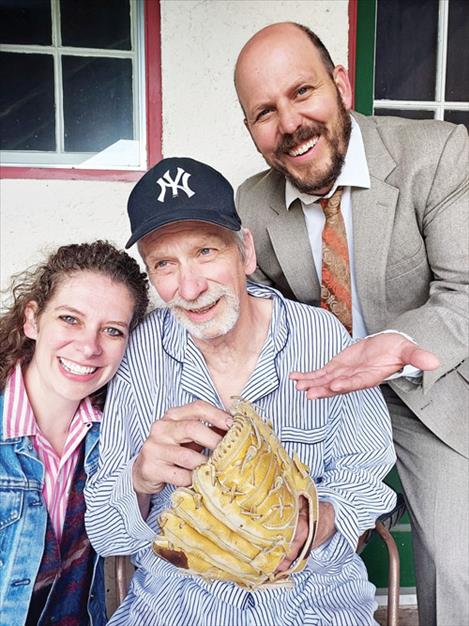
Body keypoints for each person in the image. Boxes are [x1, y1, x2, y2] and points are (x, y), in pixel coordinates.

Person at [85, 157, 396, 626]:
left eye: (207, 252)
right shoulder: (141, 352)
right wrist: (141, 478)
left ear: (245, 252)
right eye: (165, 263)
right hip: (179, 604)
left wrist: (321, 520)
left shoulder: (321, 338)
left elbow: (367, 473)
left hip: (312, 602)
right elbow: (107, 534)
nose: (189, 287)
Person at [233, 22, 469, 626]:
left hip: (430, 387)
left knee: (458, 561)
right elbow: (259, 311)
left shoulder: (438, 155)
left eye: (302, 92)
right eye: (265, 112)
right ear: (251, 130)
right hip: (321, 398)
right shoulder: (252, 204)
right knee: (274, 550)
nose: (289, 124)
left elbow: (465, 290)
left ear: (340, 83)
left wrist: (400, 342)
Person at [0, 241, 149, 626]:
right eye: (70, 319)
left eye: (112, 330)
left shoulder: (115, 439)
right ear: (32, 319)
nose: (88, 347)